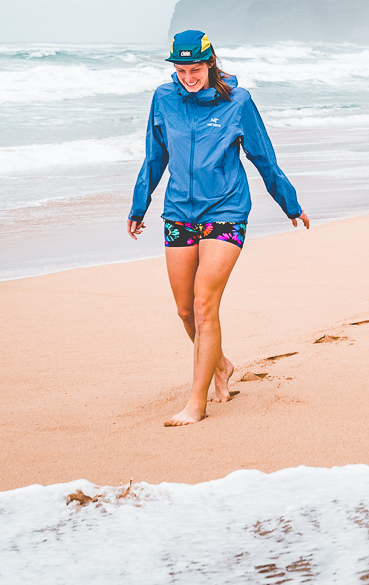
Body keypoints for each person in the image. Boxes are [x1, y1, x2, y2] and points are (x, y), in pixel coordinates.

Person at [128, 29, 310, 426]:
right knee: (184, 310)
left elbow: (263, 155)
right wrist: (139, 205)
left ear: (210, 63)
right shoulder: (163, 99)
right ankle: (221, 365)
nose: (188, 77)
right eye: (181, 70)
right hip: (178, 212)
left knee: (204, 303)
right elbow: (154, 155)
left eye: (195, 69)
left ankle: (197, 402)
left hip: (226, 210)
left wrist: (289, 202)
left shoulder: (238, 102)